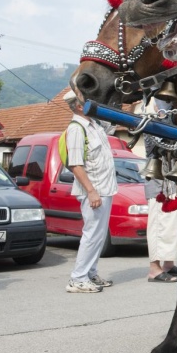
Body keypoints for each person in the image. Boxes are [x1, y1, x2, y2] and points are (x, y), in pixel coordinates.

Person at [63, 89, 118, 293]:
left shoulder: (94, 124)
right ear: (79, 106)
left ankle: (90, 273)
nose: (94, 104)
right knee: (91, 234)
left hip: (105, 187)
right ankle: (77, 278)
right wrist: (91, 191)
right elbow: (76, 164)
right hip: (93, 190)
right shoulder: (77, 129)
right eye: (88, 101)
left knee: (99, 235)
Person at [142, 98, 177, 283]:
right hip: (159, 183)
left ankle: (168, 263)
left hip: (172, 179)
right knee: (159, 225)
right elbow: (161, 142)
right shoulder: (148, 119)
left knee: (173, 226)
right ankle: (154, 269)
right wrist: (162, 116)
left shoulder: (169, 117)